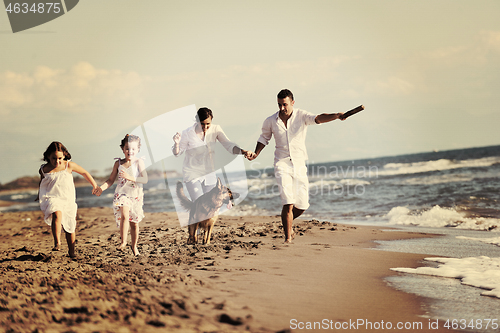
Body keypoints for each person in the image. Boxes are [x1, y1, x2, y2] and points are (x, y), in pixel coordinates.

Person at [247, 89, 348, 243]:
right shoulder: (270, 121)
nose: (282, 108)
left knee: (302, 205)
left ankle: (289, 225)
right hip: (281, 163)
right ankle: (288, 239)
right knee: (288, 202)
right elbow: (264, 138)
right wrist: (256, 153)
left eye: (285, 104)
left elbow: (318, 118)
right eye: (279, 105)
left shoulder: (301, 116)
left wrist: (336, 115)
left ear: (293, 102)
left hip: (299, 164)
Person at [172, 107, 252, 202]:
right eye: (202, 124)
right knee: (199, 203)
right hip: (192, 173)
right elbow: (177, 153)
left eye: (208, 124)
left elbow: (229, 145)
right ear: (197, 120)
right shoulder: (188, 133)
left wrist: (244, 152)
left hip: (209, 173)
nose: (205, 127)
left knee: (211, 203)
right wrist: (176, 143)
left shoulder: (216, 129)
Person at [37, 141, 99, 258]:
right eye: (54, 158)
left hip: (67, 199)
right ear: (48, 157)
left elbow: (84, 172)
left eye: (60, 158)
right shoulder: (44, 169)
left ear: (64, 155)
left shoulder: (68, 165)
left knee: (70, 226)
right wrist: (38, 194)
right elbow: (42, 183)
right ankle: (57, 243)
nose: (57, 161)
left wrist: (95, 185)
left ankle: (71, 252)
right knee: (56, 213)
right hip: (51, 197)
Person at [95, 134, 148, 256]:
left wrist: (130, 177)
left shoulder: (139, 162)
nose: (130, 151)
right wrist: (101, 188)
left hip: (136, 195)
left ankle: (134, 246)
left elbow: (144, 179)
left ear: (138, 149)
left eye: (133, 149)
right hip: (122, 194)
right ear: (123, 149)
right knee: (125, 214)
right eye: (127, 148)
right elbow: (110, 180)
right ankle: (123, 242)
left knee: (134, 223)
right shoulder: (118, 163)